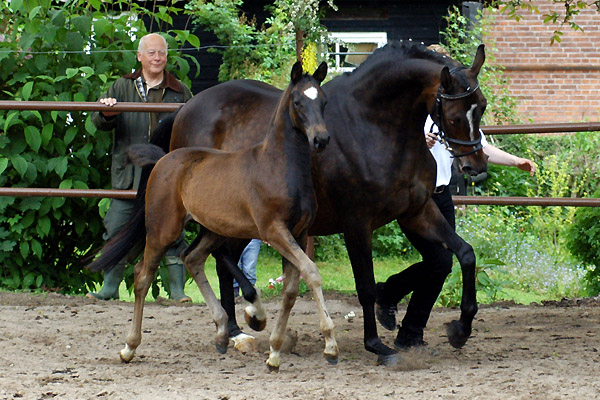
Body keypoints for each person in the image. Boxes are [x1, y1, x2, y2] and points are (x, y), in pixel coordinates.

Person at [375, 114, 535, 349]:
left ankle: (396, 307)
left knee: (440, 265)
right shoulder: (411, 108)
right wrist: (419, 142)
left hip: (442, 198)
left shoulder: (452, 116)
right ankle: (403, 321)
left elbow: (479, 146)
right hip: (415, 199)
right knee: (440, 262)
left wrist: (516, 161)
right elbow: (386, 146)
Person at [86, 33, 193, 302]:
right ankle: (109, 288)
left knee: (173, 231)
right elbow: (98, 122)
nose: (157, 58)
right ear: (139, 56)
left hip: (168, 178)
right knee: (117, 227)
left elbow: (194, 131)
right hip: (128, 177)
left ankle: (178, 293)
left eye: (162, 53)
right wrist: (106, 111)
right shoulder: (120, 87)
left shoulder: (181, 91)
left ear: (167, 57)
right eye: (152, 53)